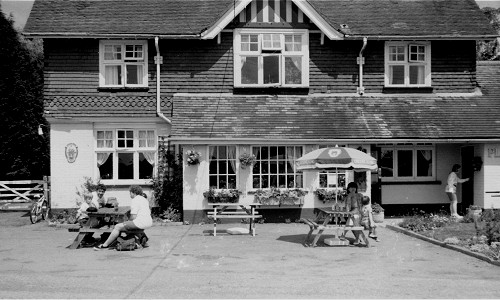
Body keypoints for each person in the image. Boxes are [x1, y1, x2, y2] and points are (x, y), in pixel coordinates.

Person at [94, 185, 152, 250]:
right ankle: (142, 238)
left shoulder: (135, 200)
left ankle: (105, 245)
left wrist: (126, 222)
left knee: (117, 226)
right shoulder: (144, 199)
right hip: (148, 221)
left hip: (140, 222)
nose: (130, 194)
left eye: (130, 192)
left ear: (133, 192)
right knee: (126, 226)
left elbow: (133, 217)